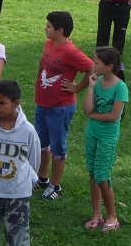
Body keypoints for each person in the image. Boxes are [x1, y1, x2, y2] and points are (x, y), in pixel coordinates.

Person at [33, 11, 94, 201]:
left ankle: (55, 185)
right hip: (42, 104)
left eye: (49, 26)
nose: (45, 28)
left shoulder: (71, 52)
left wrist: (77, 88)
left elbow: (93, 69)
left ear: (60, 31)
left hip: (60, 108)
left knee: (58, 146)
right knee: (42, 144)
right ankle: (43, 178)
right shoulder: (49, 43)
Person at [0, 80, 41, 246]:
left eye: (2, 103)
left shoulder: (27, 130)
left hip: (18, 193)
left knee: (17, 235)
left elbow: (34, 158)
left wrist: (30, 180)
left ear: (16, 103)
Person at [82, 47, 128, 232]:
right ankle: (97, 213)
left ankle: (112, 215)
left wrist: (92, 115)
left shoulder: (120, 87)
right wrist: (91, 86)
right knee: (93, 172)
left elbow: (113, 117)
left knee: (102, 175)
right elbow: (86, 109)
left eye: (97, 63)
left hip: (107, 137)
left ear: (109, 67)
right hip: (91, 133)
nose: (93, 65)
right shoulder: (98, 81)